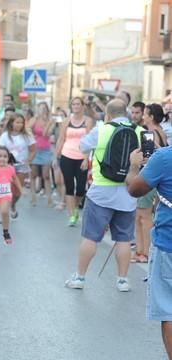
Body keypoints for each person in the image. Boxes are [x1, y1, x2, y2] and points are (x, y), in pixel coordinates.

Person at [64, 98, 142, 292]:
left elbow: (82, 147)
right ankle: (123, 280)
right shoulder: (139, 131)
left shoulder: (102, 129)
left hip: (100, 192)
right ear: (127, 112)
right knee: (124, 239)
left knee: (90, 237)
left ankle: (80, 277)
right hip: (128, 193)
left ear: (107, 114)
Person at [126, 144, 172, 360]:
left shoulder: (164, 157)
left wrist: (135, 165)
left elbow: (134, 189)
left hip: (168, 244)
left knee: (168, 308)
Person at [134, 103, 168, 264]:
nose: (143, 116)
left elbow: (160, 152)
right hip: (155, 175)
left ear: (151, 116)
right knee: (141, 215)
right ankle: (141, 250)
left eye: (145, 114)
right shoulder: (160, 131)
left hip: (150, 175)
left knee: (144, 215)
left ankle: (145, 251)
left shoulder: (152, 132)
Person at [53, 97, 94, 223]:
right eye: (73, 104)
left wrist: (86, 159)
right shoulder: (66, 121)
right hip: (67, 155)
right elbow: (61, 139)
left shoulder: (88, 121)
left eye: (78, 104)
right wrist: (55, 157)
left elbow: (89, 141)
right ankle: (71, 214)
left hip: (82, 156)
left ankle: (75, 207)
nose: (75, 106)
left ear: (82, 106)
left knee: (81, 188)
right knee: (69, 185)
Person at [0, 113, 35, 215]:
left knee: (17, 191)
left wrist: (29, 160)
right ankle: (4, 211)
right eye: (17, 122)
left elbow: (33, 150)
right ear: (11, 123)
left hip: (21, 166)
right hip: (7, 166)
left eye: (22, 123)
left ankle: (13, 204)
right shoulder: (5, 136)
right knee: (7, 189)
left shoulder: (26, 135)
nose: (19, 125)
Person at [28, 102, 56, 207]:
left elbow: (45, 134)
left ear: (47, 110)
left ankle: (50, 199)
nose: (42, 110)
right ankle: (33, 198)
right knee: (33, 174)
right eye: (40, 108)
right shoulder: (34, 119)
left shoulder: (50, 121)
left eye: (44, 109)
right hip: (35, 149)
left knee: (46, 175)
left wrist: (48, 123)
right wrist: (31, 136)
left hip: (45, 150)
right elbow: (27, 128)